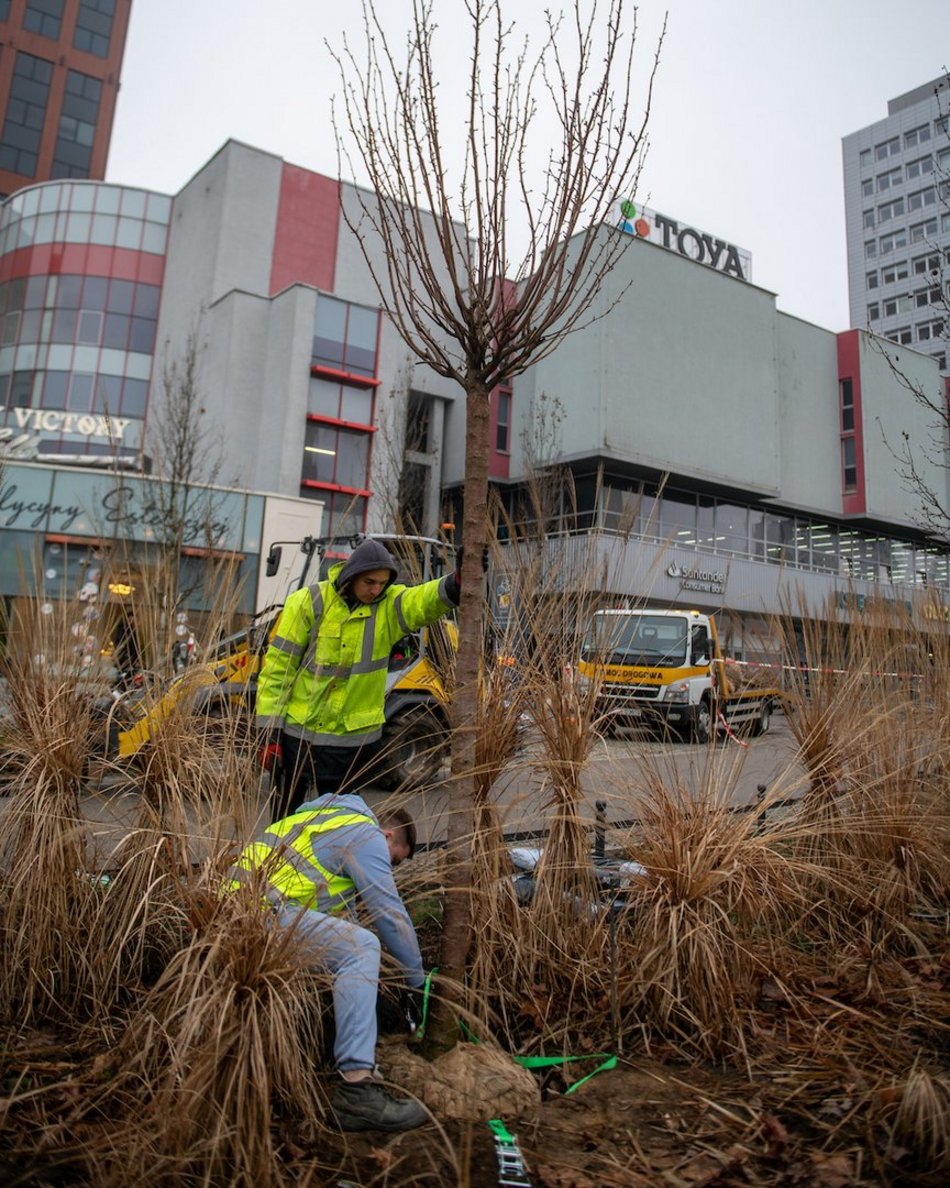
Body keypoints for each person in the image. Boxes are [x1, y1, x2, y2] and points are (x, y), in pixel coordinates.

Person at [225, 792, 428, 1132]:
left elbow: (339, 927)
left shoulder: (323, 820)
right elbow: (391, 916)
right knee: (362, 948)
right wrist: (416, 983)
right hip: (261, 915)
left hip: (233, 912)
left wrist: (371, 991)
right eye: (394, 860)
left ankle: (332, 1049)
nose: (389, 868)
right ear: (388, 835)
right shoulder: (367, 836)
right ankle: (356, 1089)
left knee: (356, 948)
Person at [255, 538, 460, 817]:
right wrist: (269, 732)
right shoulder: (308, 602)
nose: (376, 590)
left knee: (341, 825)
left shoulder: (388, 607)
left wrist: (455, 582)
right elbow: (277, 670)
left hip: (352, 745)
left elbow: (422, 600)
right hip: (299, 739)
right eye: (369, 582)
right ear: (351, 575)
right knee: (285, 820)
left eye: (382, 583)